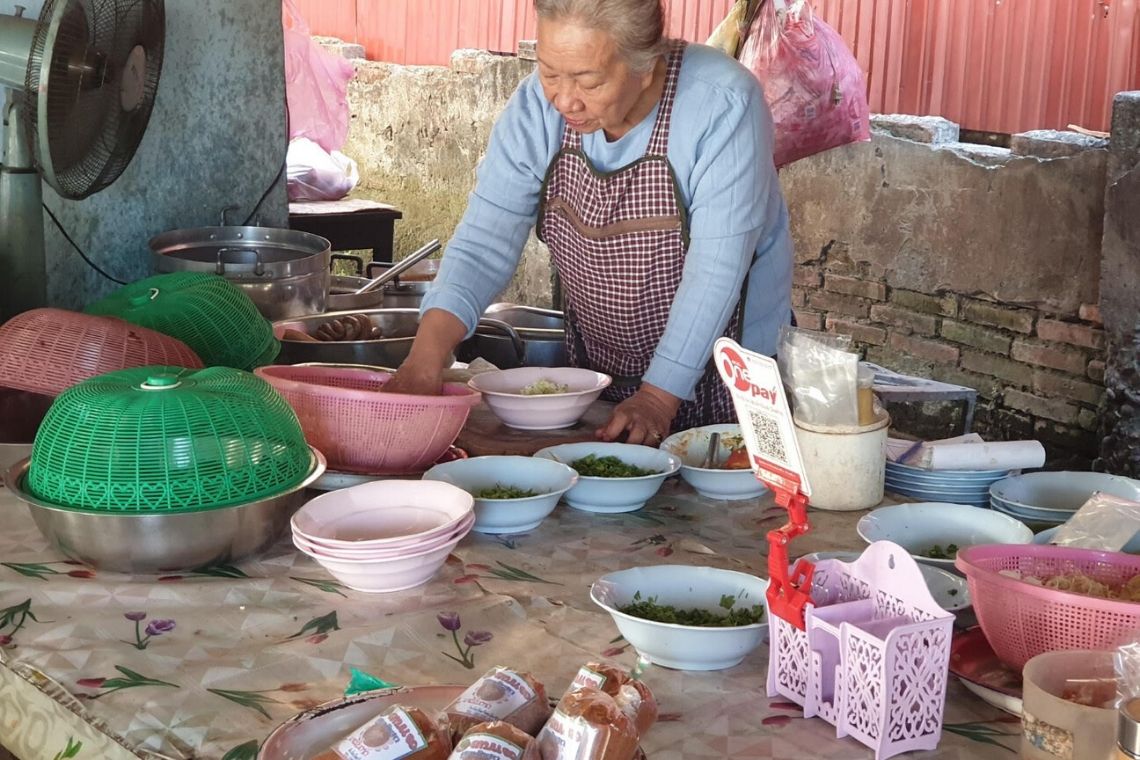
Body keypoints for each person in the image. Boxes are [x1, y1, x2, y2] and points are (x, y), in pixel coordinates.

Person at [386, 0, 793, 445]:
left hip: (732, 385)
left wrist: (657, 397)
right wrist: (423, 364)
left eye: (588, 80)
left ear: (645, 64)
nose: (563, 99)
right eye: (549, 73)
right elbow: (484, 242)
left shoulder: (723, 104)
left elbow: (715, 271)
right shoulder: (535, 111)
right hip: (602, 376)